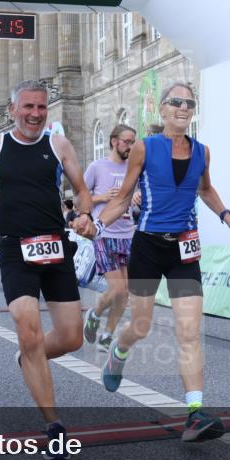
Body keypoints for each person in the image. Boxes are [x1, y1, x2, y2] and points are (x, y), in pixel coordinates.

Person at [85, 81, 230, 443]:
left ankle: (195, 413)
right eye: (176, 102)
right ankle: (119, 350)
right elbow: (124, 197)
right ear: (162, 109)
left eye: (189, 103)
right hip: (147, 247)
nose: (183, 108)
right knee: (140, 327)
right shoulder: (145, 147)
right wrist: (97, 225)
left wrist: (227, 216)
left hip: (184, 250)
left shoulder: (203, 152)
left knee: (189, 332)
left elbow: (205, 189)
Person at [0, 79, 95, 460]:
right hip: (15, 250)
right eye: (28, 107)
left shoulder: (58, 145)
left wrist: (84, 214)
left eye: (42, 108)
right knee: (28, 333)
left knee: (72, 338)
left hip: (56, 248)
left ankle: (29, 356)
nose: (35, 114)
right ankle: (55, 428)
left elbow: (81, 189)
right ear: (13, 109)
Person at [82, 124, 139, 352]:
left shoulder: (134, 168)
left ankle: (107, 335)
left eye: (133, 142)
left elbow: (141, 191)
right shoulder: (97, 167)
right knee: (116, 289)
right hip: (105, 234)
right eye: (127, 141)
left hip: (128, 234)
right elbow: (80, 199)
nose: (130, 146)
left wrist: (137, 196)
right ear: (114, 141)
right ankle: (94, 314)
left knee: (124, 292)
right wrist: (103, 197)